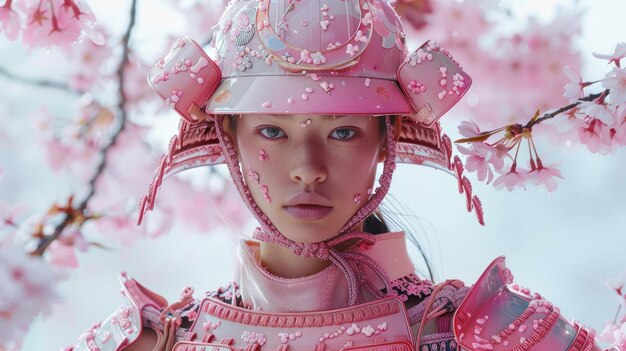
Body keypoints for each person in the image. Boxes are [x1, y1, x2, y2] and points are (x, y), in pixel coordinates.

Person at [68, 0, 603, 350]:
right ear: (228, 139)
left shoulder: (493, 331)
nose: (308, 169)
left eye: (343, 132)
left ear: (385, 142)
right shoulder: (145, 341)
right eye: (272, 133)